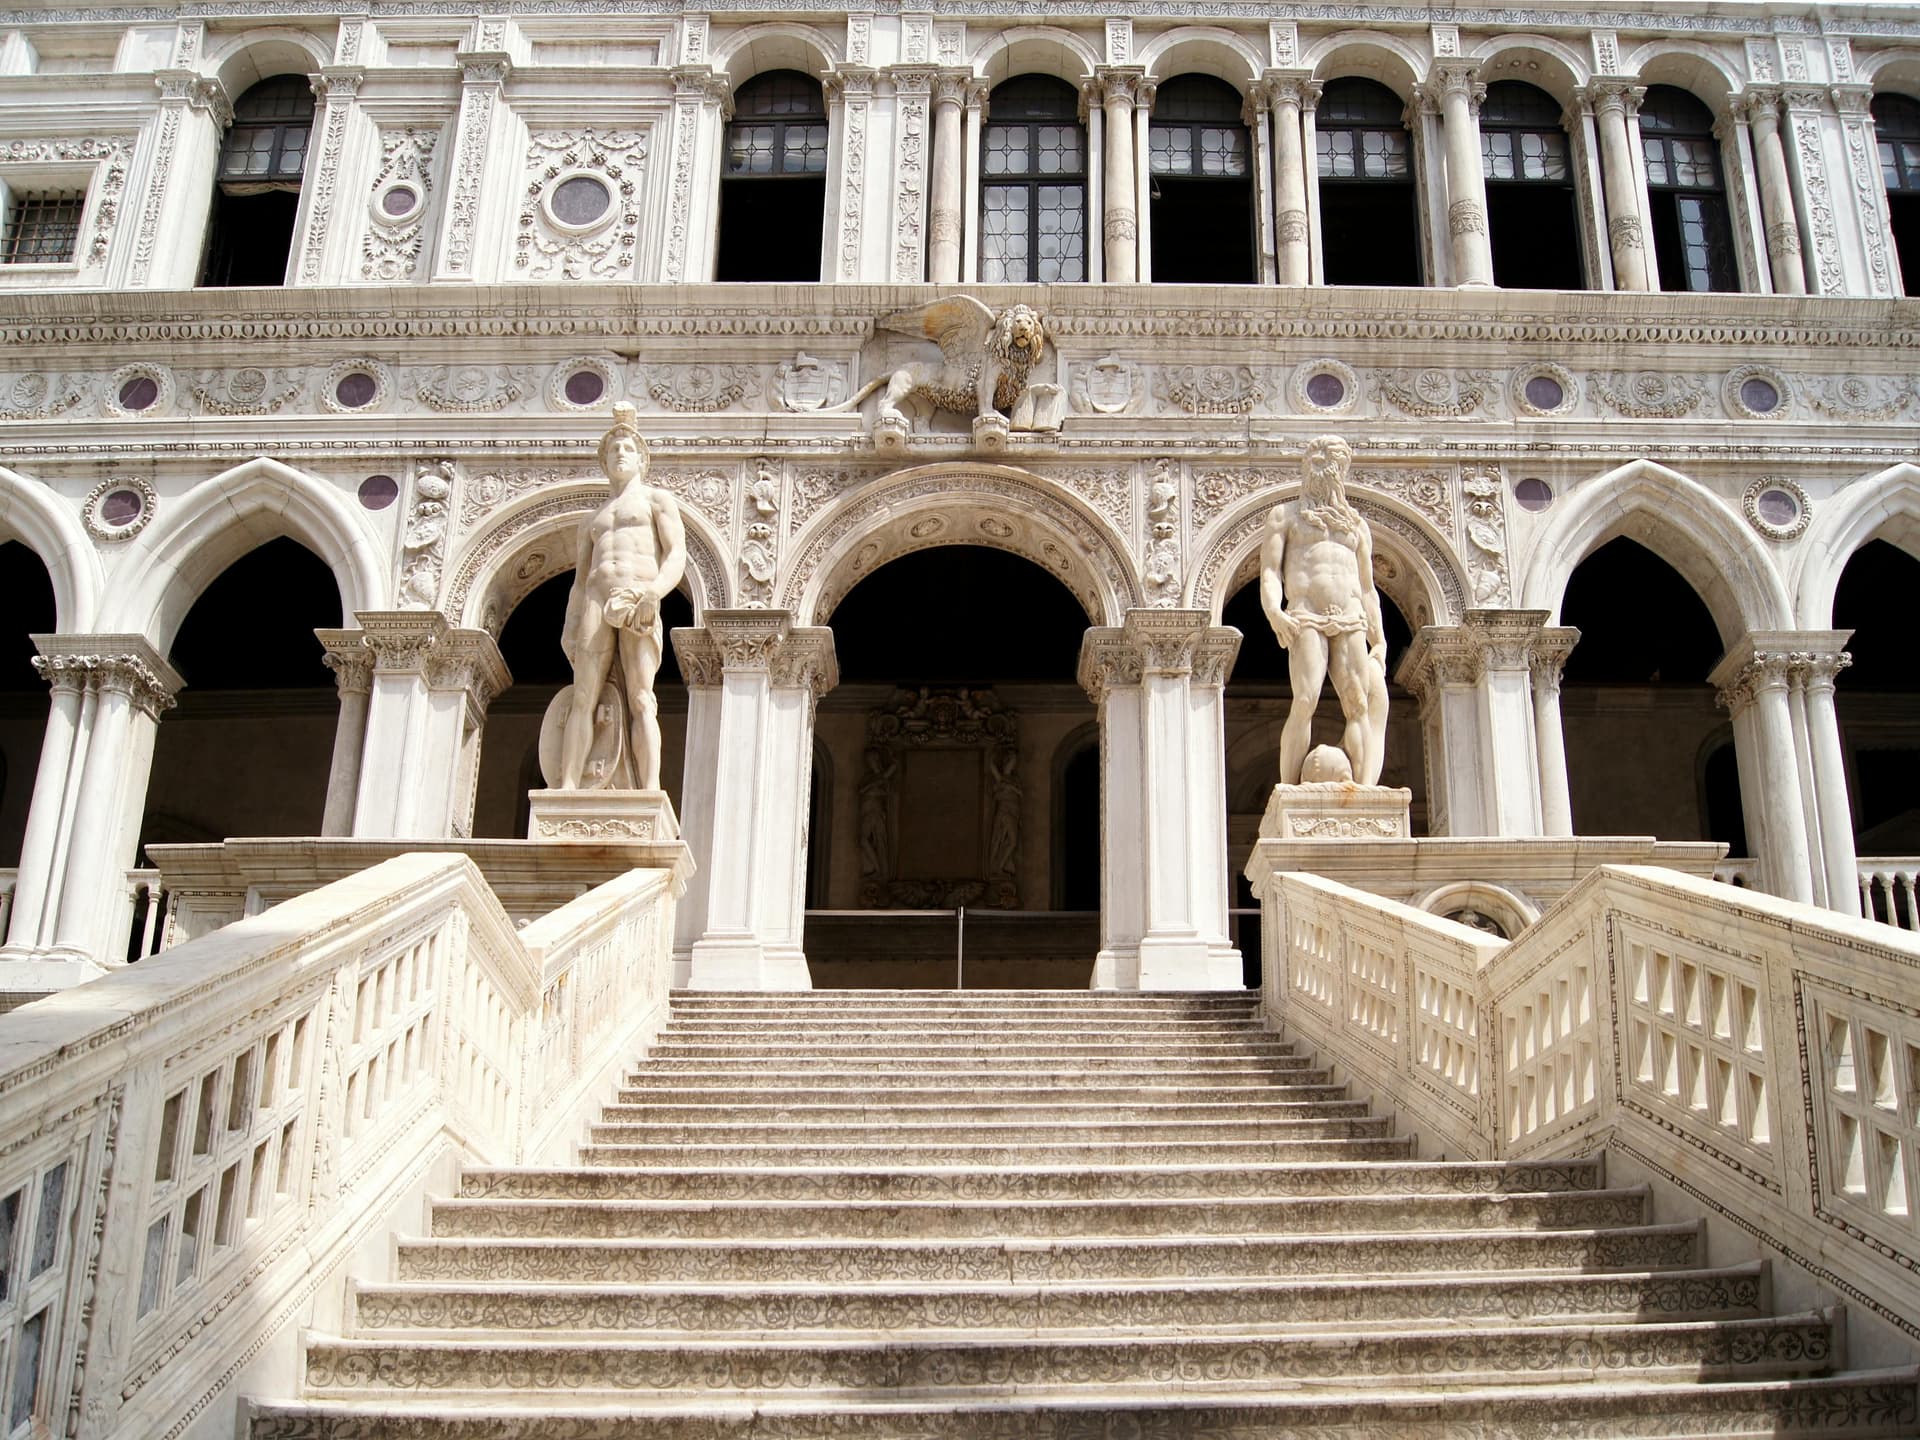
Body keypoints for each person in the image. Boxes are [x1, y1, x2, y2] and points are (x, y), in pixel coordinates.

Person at [559, 404, 686, 790]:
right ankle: (567, 785)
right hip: (597, 599)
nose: (620, 454)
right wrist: (570, 624)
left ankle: (649, 788)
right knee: (583, 697)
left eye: (628, 449)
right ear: (603, 461)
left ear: (642, 460)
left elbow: (676, 554)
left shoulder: (656, 500)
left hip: (637, 597)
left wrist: (654, 593)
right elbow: (580, 580)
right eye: (613, 449)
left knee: (642, 698)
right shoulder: (592, 520)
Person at [1259, 434, 1390, 787]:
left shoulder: (1356, 525)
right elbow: (1270, 571)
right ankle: (1288, 790)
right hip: (1306, 616)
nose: (1320, 467)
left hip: (1351, 617)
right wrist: (1274, 612)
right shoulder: (1285, 516)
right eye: (1314, 460)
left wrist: (1379, 638)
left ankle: (1364, 790)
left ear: (1341, 471)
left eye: (1329, 462)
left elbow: (1367, 587)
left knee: (1358, 704)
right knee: (1305, 700)